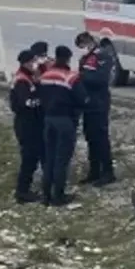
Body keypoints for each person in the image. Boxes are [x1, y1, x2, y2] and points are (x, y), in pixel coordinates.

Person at [38, 45, 89, 206]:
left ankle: (46, 195)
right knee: (62, 160)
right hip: (65, 121)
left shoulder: (45, 76)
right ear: (68, 58)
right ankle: (58, 196)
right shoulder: (71, 77)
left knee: (49, 158)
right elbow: (83, 99)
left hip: (48, 120)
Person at [75, 31, 116, 186]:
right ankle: (94, 171)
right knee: (90, 137)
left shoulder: (102, 56)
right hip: (88, 103)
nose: (82, 49)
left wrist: (82, 77)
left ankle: (107, 172)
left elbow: (101, 78)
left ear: (90, 42)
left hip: (99, 102)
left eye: (83, 45)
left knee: (101, 138)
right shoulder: (85, 58)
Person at [8, 49, 44, 204]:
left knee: (32, 156)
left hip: (31, 123)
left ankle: (25, 189)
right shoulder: (22, 80)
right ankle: (22, 192)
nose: (35, 64)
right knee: (29, 159)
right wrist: (42, 100)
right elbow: (26, 102)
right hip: (26, 124)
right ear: (26, 63)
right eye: (32, 62)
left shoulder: (29, 77)